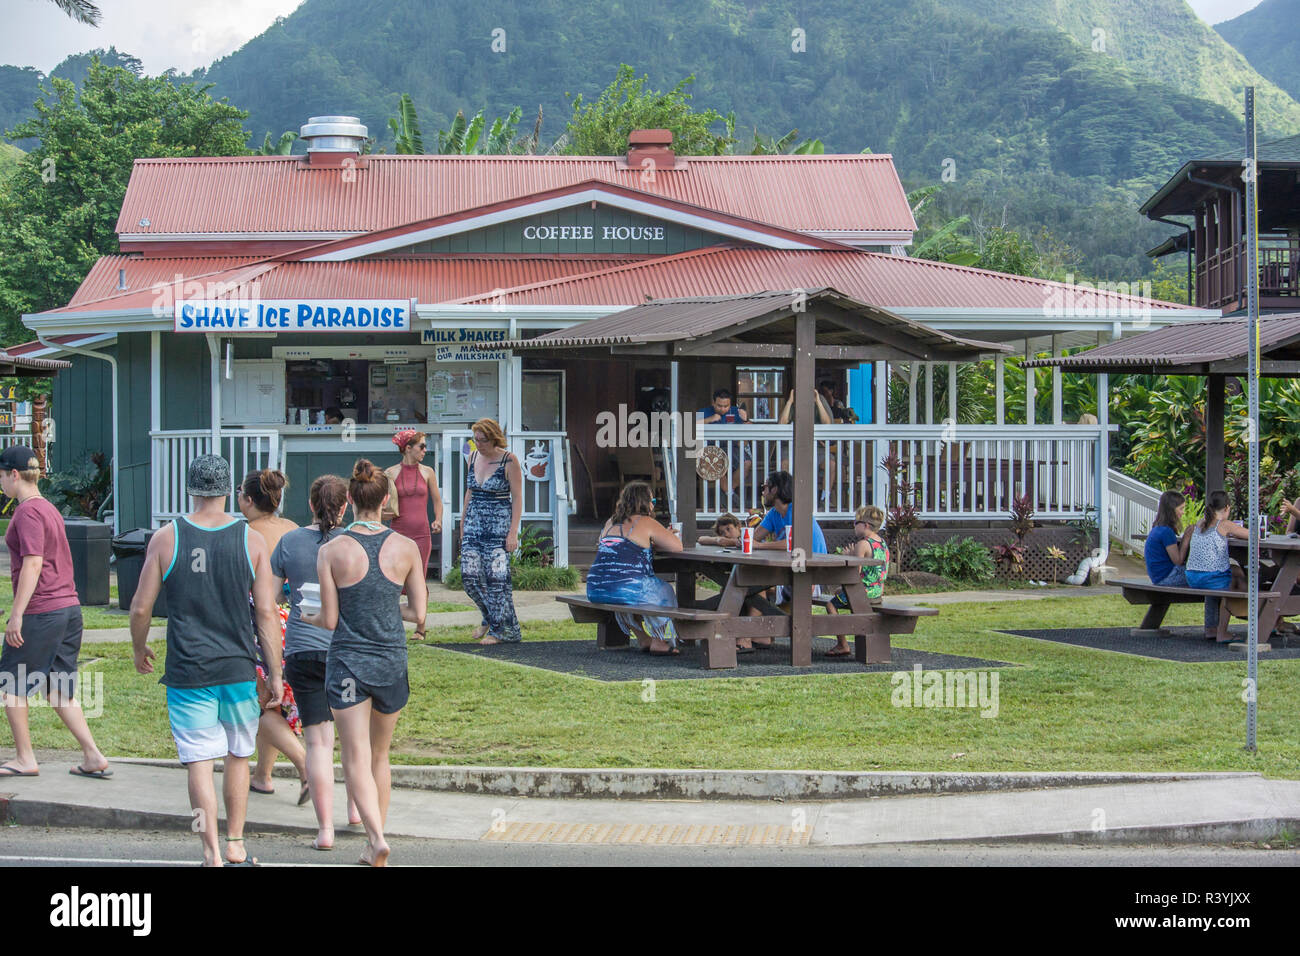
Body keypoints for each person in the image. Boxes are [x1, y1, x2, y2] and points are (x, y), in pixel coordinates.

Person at [130, 454, 284, 866]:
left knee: (199, 761)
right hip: (237, 665)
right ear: (230, 491)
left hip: (187, 669)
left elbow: (140, 608)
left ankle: (210, 851)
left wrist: (138, 646)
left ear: (190, 488)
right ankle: (235, 842)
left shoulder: (166, 538)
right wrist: (275, 671)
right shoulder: (252, 540)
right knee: (238, 754)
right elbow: (266, 612)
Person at [305, 459, 427, 867]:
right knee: (380, 756)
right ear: (386, 500)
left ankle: (374, 838)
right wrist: (392, 611)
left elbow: (330, 620)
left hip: (348, 666)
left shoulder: (332, 551)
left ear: (350, 501)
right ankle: (376, 838)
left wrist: (303, 616)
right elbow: (419, 614)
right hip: (392, 660)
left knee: (354, 755)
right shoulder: (407, 548)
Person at [0, 446, 110, 780]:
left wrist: (16, 614)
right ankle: (93, 756)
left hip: (41, 611)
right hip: (68, 609)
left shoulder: (27, 513)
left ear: (14, 475)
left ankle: (24, 758)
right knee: (58, 688)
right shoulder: (48, 509)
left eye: (1, 476)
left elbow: (33, 561)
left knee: (11, 686)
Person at [269, 475, 350, 850]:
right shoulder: (353, 543)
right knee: (353, 740)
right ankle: (355, 811)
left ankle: (324, 831)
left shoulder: (288, 542)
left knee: (318, 743)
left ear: (312, 504)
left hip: (302, 650)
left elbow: (269, 600)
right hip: (346, 650)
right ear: (345, 505)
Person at [237, 469, 308, 800]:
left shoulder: (245, 534)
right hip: (292, 620)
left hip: (258, 620)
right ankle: (263, 775)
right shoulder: (293, 528)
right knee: (274, 702)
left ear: (249, 500)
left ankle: (305, 766)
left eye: (240, 493)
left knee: (258, 704)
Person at [586, 482, 685, 655]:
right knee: (664, 591)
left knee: (627, 597)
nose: (654, 503)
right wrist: (666, 535)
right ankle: (658, 640)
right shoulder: (646, 521)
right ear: (644, 501)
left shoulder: (611, 521)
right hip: (624, 588)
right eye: (652, 499)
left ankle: (642, 638)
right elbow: (677, 547)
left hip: (595, 587)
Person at [740, 471, 830, 651]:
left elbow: (796, 543)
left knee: (753, 585)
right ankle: (761, 635)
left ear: (776, 489)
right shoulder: (774, 514)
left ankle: (746, 637)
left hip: (809, 576)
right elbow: (754, 538)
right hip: (789, 572)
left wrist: (759, 546)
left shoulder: (798, 511)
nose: (762, 491)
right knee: (748, 582)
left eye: (765, 487)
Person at [460, 418, 523, 645]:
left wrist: (513, 532)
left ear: (493, 438)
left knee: (497, 580)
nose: (479, 444)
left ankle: (500, 630)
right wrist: (462, 521)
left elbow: (517, 498)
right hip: (474, 523)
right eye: (475, 440)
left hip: (498, 525)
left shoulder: (509, 460)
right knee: (469, 576)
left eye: (483, 440)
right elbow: (469, 491)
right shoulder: (473, 457)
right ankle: (490, 616)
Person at [1145, 489, 1223, 639]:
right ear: (1171, 510)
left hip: (1160, 576)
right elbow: (1178, 560)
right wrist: (1186, 538)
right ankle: (1212, 628)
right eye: (1181, 509)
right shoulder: (1165, 532)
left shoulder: (1158, 528)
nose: (1182, 512)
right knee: (1212, 580)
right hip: (1167, 577)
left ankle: (1213, 627)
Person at [825, 505, 890, 658]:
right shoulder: (882, 543)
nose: (853, 526)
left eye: (855, 522)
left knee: (830, 604)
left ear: (865, 525)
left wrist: (850, 557)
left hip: (862, 593)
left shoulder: (863, 544)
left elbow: (854, 574)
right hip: (877, 592)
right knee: (839, 595)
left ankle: (842, 644)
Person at [1186, 490, 1249, 638]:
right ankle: (1224, 631)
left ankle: (1211, 628)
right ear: (1227, 508)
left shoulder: (1200, 522)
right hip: (1210, 577)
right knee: (1233, 583)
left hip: (1192, 576)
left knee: (1236, 571)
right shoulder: (1224, 524)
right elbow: (1254, 535)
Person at [384, 429, 443, 585]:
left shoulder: (428, 472)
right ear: (408, 448)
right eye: (421, 446)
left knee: (419, 580)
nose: (425, 450)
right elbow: (383, 504)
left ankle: (420, 610)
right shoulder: (390, 473)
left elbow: (437, 500)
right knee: (396, 579)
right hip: (398, 533)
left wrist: (438, 519)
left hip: (422, 534)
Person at [697, 389, 751, 509]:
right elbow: (690, 425)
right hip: (711, 449)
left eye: (726, 406)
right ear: (713, 403)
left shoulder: (736, 412)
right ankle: (735, 501)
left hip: (732, 447)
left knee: (746, 463)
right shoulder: (704, 412)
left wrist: (746, 419)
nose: (723, 409)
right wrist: (709, 420)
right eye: (719, 406)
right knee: (716, 464)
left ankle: (728, 491)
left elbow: (750, 429)